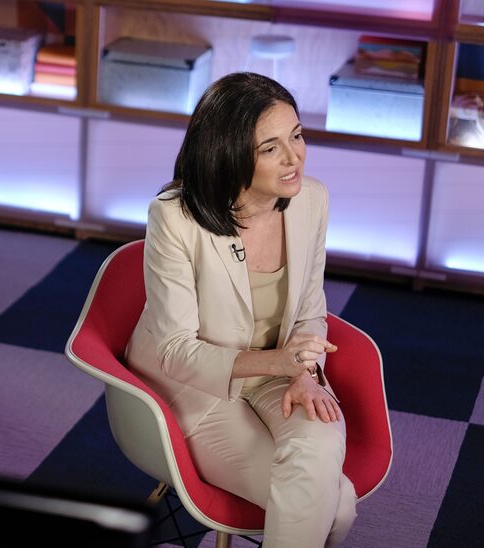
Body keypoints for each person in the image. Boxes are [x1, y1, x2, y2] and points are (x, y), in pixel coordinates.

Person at [124, 72, 357, 547]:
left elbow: (311, 310)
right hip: (195, 387)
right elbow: (176, 351)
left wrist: (305, 373)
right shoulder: (174, 217)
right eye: (271, 148)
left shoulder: (311, 200)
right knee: (337, 506)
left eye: (297, 136)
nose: (294, 157)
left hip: (282, 374)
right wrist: (278, 362)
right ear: (228, 154)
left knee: (324, 468)